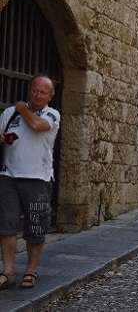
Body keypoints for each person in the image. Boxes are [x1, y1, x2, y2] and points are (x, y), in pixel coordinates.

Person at [0, 76, 60, 290]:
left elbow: (36, 125)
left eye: (43, 92)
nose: (37, 94)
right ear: (29, 90)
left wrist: (22, 109)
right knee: (6, 227)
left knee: (35, 227)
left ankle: (30, 270)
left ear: (50, 96)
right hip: (9, 176)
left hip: (37, 179)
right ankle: (7, 271)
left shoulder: (52, 115)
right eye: (34, 90)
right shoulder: (9, 113)